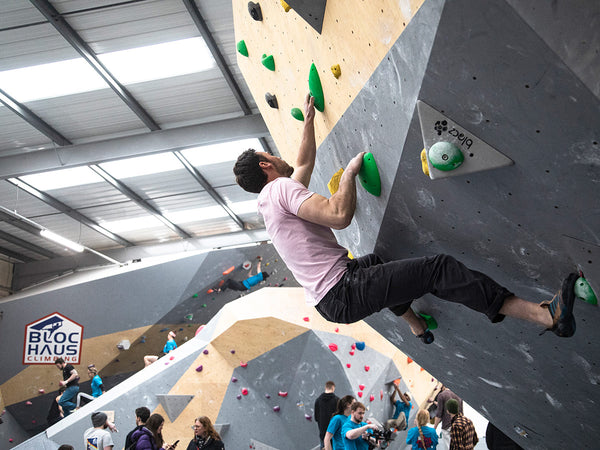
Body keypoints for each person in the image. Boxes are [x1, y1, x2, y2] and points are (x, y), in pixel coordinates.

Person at [233, 93, 577, 344]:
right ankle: (545, 315)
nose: (278, 156)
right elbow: (338, 216)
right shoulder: (280, 191)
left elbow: (304, 163)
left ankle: (415, 325)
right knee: (437, 269)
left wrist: (309, 122)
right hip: (344, 289)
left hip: (332, 296)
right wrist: (350, 174)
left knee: (379, 263)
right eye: (270, 155)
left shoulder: (270, 202)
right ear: (266, 165)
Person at [315, 381, 340, 448]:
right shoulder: (337, 400)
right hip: (335, 433)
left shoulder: (318, 400)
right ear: (333, 388)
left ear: (325, 387)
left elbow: (316, 418)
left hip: (323, 433)